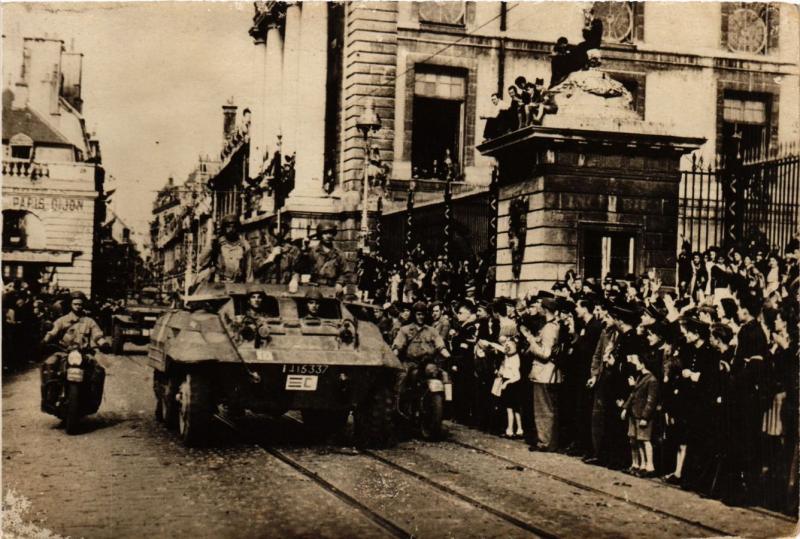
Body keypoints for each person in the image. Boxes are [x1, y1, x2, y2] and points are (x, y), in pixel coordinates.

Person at [392, 301, 451, 412]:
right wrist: (393, 354)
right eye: (418, 314)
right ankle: (397, 405)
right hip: (410, 362)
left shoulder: (432, 330)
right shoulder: (405, 329)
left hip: (427, 362)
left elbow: (440, 345)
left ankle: (442, 404)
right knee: (402, 376)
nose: (421, 317)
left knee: (439, 374)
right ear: (414, 315)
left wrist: (448, 356)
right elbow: (398, 345)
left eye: (423, 314)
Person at [520, 297, 561, 452]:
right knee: (547, 408)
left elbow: (545, 353)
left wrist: (531, 341)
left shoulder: (550, 328)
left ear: (545, 309)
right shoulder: (552, 326)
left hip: (544, 372)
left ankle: (545, 442)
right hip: (547, 373)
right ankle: (548, 441)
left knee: (543, 409)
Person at [622, 350, 659, 477]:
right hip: (634, 413)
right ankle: (638, 464)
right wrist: (625, 408)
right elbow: (633, 394)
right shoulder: (640, 377)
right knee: (634, 439)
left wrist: (645, 417)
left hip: (641, 415)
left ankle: (649, 466)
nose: (635, 364)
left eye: (637, 361)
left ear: (643, 364)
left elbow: (651, 401)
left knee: (645, 440)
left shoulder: (652, 380)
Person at [195, 214, 254, 285]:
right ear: (224, 228)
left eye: (234, 227)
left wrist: (249, 288)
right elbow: (201, 262)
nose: (231, 230)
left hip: (237, 284)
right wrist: (211, 245)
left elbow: (249, 270)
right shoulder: (217, 244)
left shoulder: (244, 245)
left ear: (238, 228)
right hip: (218, 284)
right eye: (228, 227)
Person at [310, 223, 347, 288]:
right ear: (320, 235)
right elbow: (302, 269)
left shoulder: (339, 253)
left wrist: (340, 283)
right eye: (325, 233)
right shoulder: (313, 252)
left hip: (333, 287)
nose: (328, 236)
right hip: (315, 287)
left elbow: (345, 272)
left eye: (330, 233)